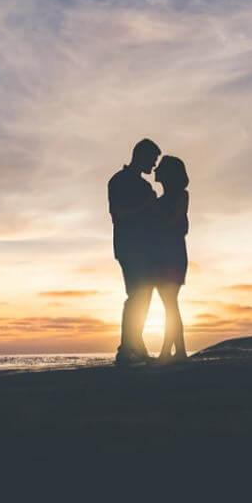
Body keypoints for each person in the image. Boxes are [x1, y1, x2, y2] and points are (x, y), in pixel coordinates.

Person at [108, 138, 161, 366]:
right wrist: (148, 205)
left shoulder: (145, 186)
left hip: (145, 248)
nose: (154, 166)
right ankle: (126, 348)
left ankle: (135, 345)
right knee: (136, 296)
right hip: (130, 247)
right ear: (141, 156)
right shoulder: (119, 181)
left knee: (144, 296)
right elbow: (118, 214)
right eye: (153, 160)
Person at [152, 155, 189, 364]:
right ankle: (178, 350)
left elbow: (176, 224)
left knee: (170, 304)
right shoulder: (158, 201)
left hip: (172, 256)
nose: (155, 170)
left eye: (160, 168)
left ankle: (170, 351)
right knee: (170, 304)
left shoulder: (180, 196)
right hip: (162, 256)